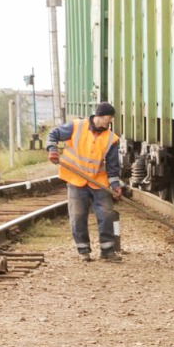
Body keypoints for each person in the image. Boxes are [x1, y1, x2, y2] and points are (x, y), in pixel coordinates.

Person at [47, 102, 124, 261]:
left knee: (106, 214)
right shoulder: (76, 126)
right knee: (77, 216)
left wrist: (115, 186)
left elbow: (113, 166)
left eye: (110, 120)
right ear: (98, 116)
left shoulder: (111, 138)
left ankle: (107, 251)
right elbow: (53, 133)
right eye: (107, 119)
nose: (108, 123)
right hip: (76, 180)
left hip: (99, 182)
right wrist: (52, 150)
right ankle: (83, 251)